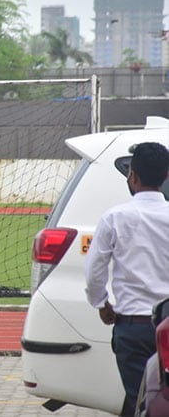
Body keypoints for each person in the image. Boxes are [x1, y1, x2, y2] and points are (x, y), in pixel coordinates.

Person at [85, 142, 169, 416]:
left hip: (132, 327)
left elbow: (95, 270)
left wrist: (102, 304)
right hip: (167, 325)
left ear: (132, 176)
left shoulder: (114, 218)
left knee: (138, 402)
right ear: (166, 176)